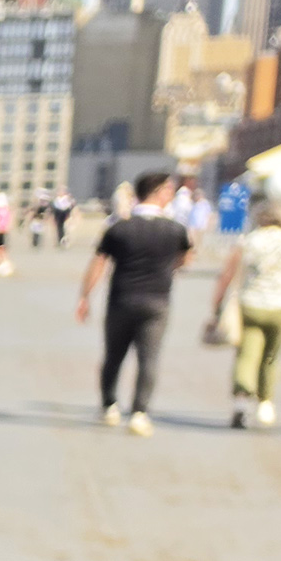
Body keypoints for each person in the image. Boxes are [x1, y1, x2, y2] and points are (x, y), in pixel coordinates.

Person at [77, 170, 193, 435]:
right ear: (159, 192)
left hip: (121, 299)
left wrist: (84, 297)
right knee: (148, 358)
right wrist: (165, 269)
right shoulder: (176, 230)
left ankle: (109, 406)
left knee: (113, 355)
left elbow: (98, 264)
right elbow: (185, 260)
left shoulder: (119, 229)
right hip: (157, 302)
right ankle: (140, 413)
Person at [207, 201, 281, 428]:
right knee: (271, 356)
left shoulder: (248, 241)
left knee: (246, 354)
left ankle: (241, 403)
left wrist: (216, 306)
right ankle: (265, 403)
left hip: (251, 304)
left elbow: (226, 276)